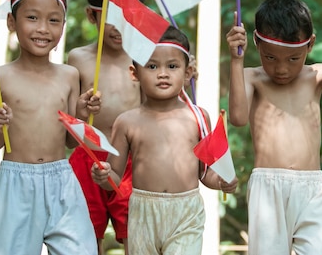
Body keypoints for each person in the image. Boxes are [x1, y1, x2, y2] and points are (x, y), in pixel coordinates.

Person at [226, 0, 322, 255]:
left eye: (293, 59)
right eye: (270, 57)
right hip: (268, 188)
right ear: (256, 43)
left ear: (310, 45)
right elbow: (238, 118)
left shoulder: (317, 75)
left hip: (312, 188)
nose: (281, 69)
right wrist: (236, 61)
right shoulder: (251, 77)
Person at [91, 26, 238, 255]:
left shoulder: (197, 117)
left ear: (188, 72)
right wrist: (103, 175)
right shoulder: (127, 122)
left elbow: (205, 172)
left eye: (172, 66)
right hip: (142, 212)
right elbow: (115, 178)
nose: (162, 73)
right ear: (134, 72)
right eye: (152, 66)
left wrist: (221, 181)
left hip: (186, 213)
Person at [0, 0, 100, 255]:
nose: (43, 29)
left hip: (62, 179)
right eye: (32, 18)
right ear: (12, 22)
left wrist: (81, 116)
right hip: (16, 182)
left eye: (53, 20)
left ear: (63, 26)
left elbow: (71, 142)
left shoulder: (69, 76)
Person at [68, 0, 145, 255]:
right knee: (86, 237)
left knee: (135, 235)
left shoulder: (143, 59)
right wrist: (81, 107)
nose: (120, 26)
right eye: (111, 17)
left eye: (129, 16)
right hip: (88, 155)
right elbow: (70, 114)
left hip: (130, 160)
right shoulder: (78, 58)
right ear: (92, 15)